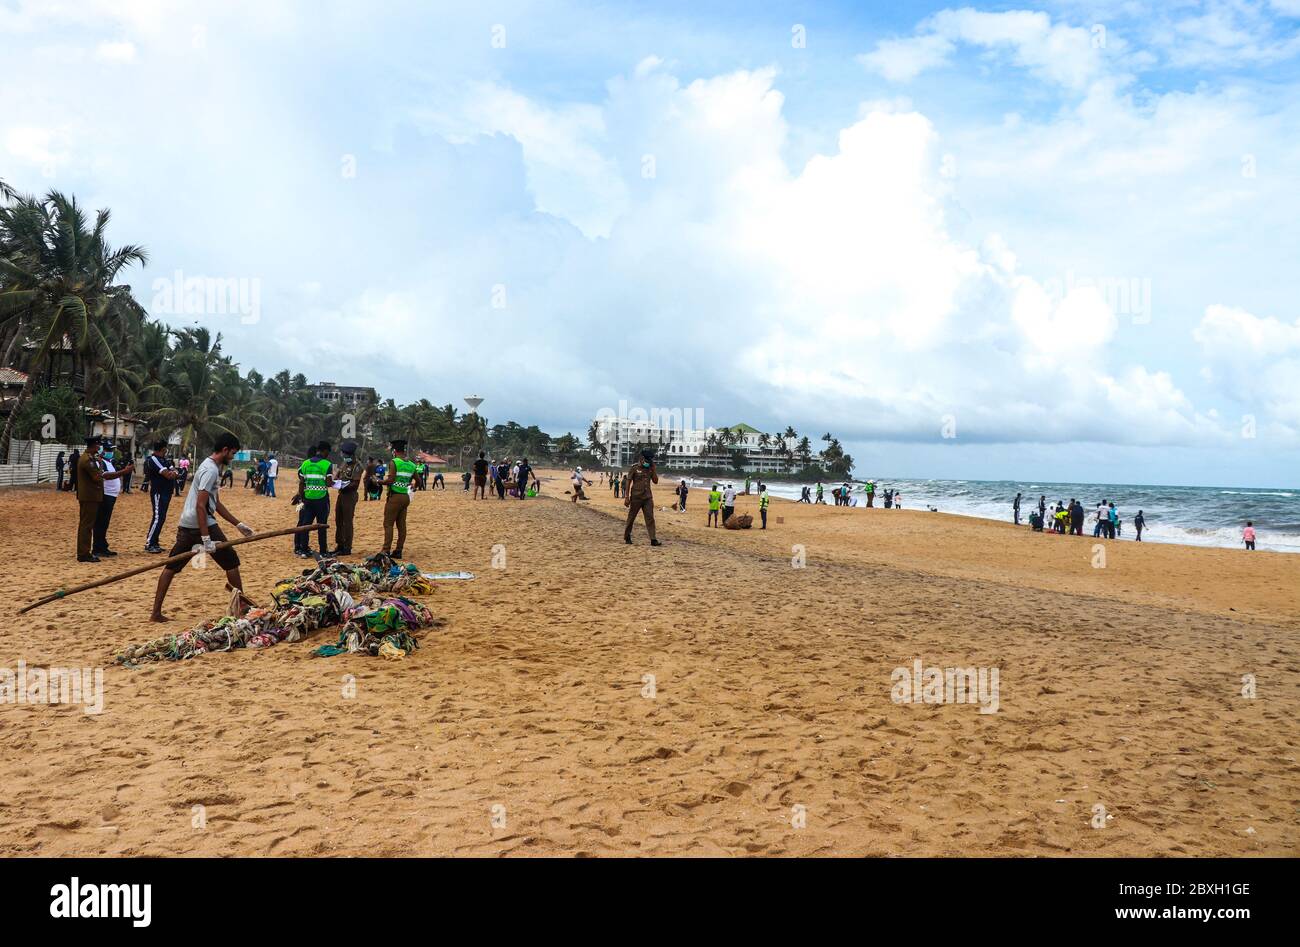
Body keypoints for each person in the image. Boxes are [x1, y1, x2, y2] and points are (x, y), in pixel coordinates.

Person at [151, 432, 254, 622]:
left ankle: (155, 613)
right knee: (231, 561)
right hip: (201, 523)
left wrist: (238, 524)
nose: (232, 457)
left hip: (188, 524)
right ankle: (243, 605)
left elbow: (215, 502)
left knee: (171, 566)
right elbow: (201, 505)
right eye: (232, 453)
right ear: (224, 450)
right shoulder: (211, 470)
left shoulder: (209, 466)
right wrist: (206, 538)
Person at [91, 441, 132, 558]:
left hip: (110, 495)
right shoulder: (100, 462)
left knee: (104, 523)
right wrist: (124, 471)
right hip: (105, 495)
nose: (111, 452)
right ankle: (98, 548)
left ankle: (102, 546)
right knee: (101, 522)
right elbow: (106, 476)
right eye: (108, 450)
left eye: (111, 450)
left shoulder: (107, 462)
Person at [293, 441, 332, 558]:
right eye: (328, 452)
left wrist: (300, 496)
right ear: (325, 451)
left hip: (308, 498)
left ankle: (304, 550)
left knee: (306, 524)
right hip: (321, 498)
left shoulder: (305, 464)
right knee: (321, 525)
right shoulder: (327, 464)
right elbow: (329, 483)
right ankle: (323, 551)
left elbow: (301, 481)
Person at [381, 439, 416, 558]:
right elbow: (419, 481)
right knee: (401, 525)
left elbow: (390, 480)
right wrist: (410, 484)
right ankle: (399, 550)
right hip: (405, 497)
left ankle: (386, 550)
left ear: (394, 451)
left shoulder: (394, 462)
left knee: (388, 524)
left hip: (395, 496)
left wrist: (379, 482)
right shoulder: (411, 464)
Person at [144, 440, 180, 552]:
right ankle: (149, 543)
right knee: (158, 517)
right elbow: (168, 475)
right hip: (158, 492)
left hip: (166, 491)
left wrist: (173, 473)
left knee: (161, 517)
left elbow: (174, 471)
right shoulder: (154, 459)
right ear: (163, 449)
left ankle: (155, 542)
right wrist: (173, 473)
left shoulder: (164, 459)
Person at [623, 449, 660, 545]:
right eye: (647, 460)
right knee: (631, 517)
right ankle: (627, 536)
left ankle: (653, 539)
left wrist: (654, 469)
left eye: (650, 460)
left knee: (650, 518)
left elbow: (656, 481)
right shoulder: (635, 468)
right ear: (642, 458)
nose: (648, 462)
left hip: (647, 497)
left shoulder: (650, 468)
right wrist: (626, 497)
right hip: (636, 497)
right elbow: (628, 481)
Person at [333, 440, 363, 556]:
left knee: (347, 521)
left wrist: (343, 485)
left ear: (351, 454)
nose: (344, 456)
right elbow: (337, 475)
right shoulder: (344, 463)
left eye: (345, 454)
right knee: (338, 520)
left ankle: (347, 546)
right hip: (341, 494)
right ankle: (339, 544)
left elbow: (355, 483)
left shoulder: (357, 466)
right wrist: (336, 481)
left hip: (350, 495)